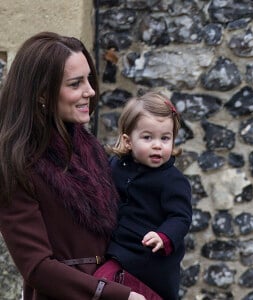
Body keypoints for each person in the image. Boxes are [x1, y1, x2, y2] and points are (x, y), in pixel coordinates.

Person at [0, 31, 145, 300]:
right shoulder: (16, 166)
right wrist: (113, 295)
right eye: (76, 83)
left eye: (88, 79)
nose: (90, 91)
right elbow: (37, 267)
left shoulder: (91, 151)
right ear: (43, 94)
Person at [94, 91, 193, 299]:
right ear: (128, 141)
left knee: (105, 282)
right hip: (118, 249)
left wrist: (163, 236)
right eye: (148, 137)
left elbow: (180, 217)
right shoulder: (115, 166)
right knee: (98, 283)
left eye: (165, 138)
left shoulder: (172, 180)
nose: (158, 145)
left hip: (150, 259)